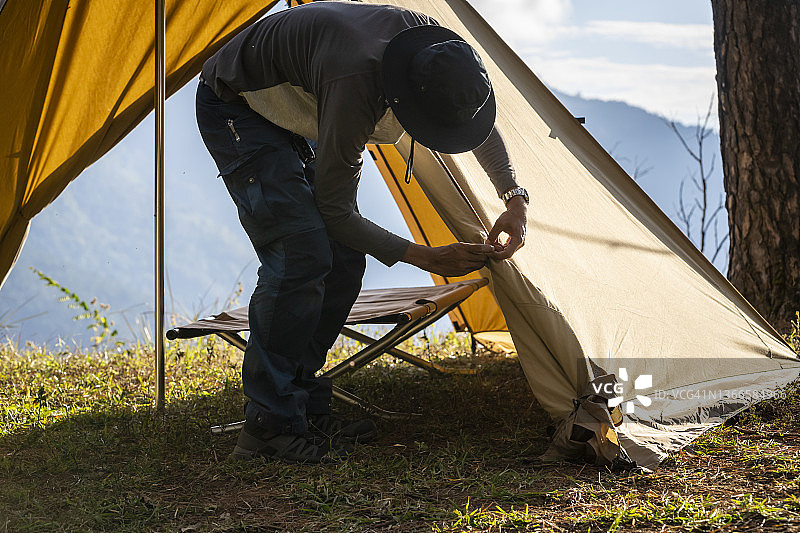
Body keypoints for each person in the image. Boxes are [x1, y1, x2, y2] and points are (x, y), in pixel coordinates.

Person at [195, 1, 527, 463]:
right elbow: (336, 212)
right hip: (236, 102)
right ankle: (268, 427)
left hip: (302, 96)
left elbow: (471, 120)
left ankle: (299, 401)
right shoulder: (356, 84)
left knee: (344, 257)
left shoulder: (443, 56)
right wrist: (426, 257)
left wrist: (514, 199)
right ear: (407, 101)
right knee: (300, 253)